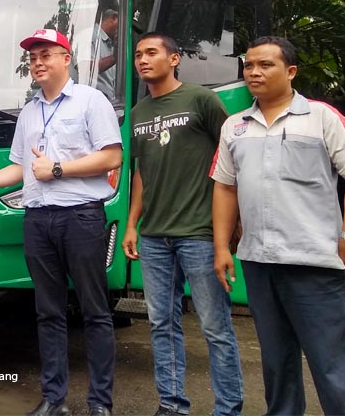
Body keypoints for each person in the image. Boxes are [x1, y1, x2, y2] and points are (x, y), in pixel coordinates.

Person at [0, 28, 122, 416]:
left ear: (65, 57)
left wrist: (58, 168)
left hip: (81, 217)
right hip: (38, 219)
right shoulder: (29, 111)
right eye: (32, 57)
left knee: (93, 310)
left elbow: (112, 157)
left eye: (45, 54)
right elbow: (19, 168)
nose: (38, 63)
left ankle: (100, 404)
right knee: (48, 312)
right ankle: (54, 401)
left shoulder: (92, 101)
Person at [211, 36, 345, 416]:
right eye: (249, 65)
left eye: (265, 65)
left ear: (291, 71)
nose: (254, 72)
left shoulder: (322, 117)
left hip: (314, 264)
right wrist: (222, 247)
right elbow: (224, 187)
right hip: (259, 263)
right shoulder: (235, 126)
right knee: (276, 364)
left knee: (332, 367)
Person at [121, 33, 243, 416]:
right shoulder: (139, 111)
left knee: (215, 327)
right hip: (155, 236)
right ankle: (172, 405)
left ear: (174, 59)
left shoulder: (201, 100)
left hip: (200, 233)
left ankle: (228, 408)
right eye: (138, 54)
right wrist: (131, 225)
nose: (142, 59)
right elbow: (141, 173)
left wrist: (231, 227)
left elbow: (230, 160)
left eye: (152, 52)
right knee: (161, 324)